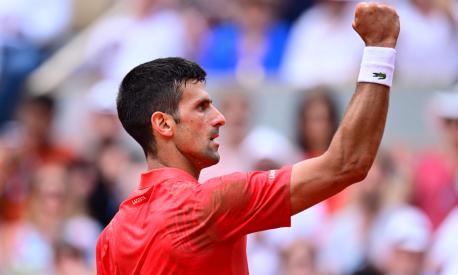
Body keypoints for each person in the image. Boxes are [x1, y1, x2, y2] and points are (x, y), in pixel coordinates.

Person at [96, 2, 400, 274]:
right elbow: (348, 163)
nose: (219, 118)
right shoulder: (210, 203)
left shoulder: (109, 238)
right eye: (202, 107)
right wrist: (379, 50)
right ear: (163, 124)